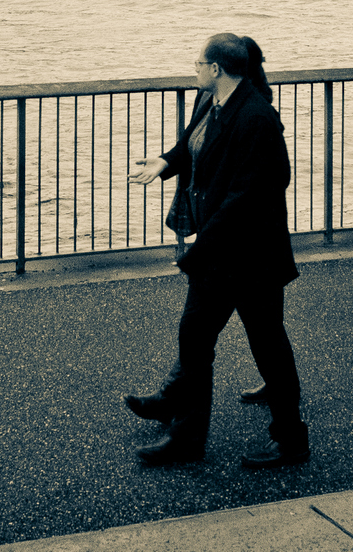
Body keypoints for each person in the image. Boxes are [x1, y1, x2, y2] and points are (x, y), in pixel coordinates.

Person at [123, 33, 307, 469]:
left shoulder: (256, 118)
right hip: (222, 254)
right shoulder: (212, 102)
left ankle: (291, 441)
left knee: (268, 347)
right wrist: (166, 163)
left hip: (251, 257)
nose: (194, 67)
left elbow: (250, 195)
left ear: (217, 69)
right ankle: (186, 438)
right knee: (196, 339)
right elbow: (193, 143)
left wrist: (199, 250)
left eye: (199, 62)